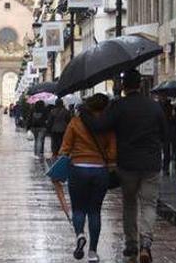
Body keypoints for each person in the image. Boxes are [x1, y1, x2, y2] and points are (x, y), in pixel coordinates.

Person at [80, 69, 167, 263]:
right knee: (149, 204)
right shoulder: (154, 107)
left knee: (130, 203)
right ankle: (146, 244)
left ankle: (131, 243)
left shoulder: (119, 106)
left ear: (124, 86)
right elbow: (165, 133)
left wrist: (84, 113)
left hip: (127, 164)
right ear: (140, 84)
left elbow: (99, 126)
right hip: (151, 164)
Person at [59, 93, 116, 262]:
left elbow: (65, 147)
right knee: (94, 210)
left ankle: (80, 235)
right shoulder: (108, 124)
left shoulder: (76, 122)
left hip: (78, 169)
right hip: (100, 170)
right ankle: (92, 252)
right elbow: (113, 151)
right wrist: (108, 160)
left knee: (78, 209)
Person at [159, 100, 174, 173]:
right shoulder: (170, 107)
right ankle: (165, 167)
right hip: (165, 130)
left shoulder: (158, 106)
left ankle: (165, 166)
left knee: (165, 149)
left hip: (164, 131)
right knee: (166, 149)